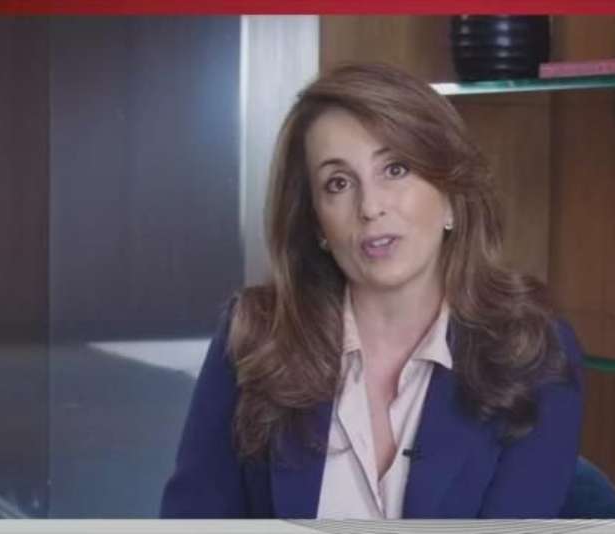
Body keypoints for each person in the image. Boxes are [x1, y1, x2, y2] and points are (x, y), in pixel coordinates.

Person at [160, 62, 584, 519]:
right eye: (338, 183)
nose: (370, 206)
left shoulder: (532, 351)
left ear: (450, 194)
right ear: (317, 224)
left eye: (395, 169)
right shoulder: (253, 338)